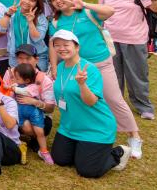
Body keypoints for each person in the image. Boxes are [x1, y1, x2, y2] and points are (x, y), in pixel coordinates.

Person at [47, 0, 143, 159]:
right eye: (53, 0)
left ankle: (134, 136)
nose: (57, 1)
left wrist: (84, 4)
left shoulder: (88, 13)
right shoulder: (55, 22)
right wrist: (54, 67)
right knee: (77, 99)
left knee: (113, 98)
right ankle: (83, 131)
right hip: (74, 67)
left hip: (100, 64)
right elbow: (53, 45)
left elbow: (110, 11)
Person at [49, 29, 132, 177]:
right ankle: (84, 152)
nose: (61, 48)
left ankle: (118, 153)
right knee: (60, 159)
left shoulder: (90, 70)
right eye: (57, 45)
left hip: (95, 128)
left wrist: (82, 84)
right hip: (69, 127)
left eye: (66, 45)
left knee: (88, 171)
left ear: (77, 47)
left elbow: (91, 101)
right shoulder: (61, 67)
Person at [99, 0, 157, 120]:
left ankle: (144, 106)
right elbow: (101, 13)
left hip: (134, 39)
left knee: (136, 75)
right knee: (113, 75)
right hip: (110, 40)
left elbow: (156, 9)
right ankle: (114, 105)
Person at [4, 0, 49, 70]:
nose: (27, 2)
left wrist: (30, 22)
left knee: (37, 81)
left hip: (36, 56)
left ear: (36, 4)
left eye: (32, 0)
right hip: (16, 56)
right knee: (18, 81)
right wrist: (8, 14)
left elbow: (37, 38)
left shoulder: (40, 18)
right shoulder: (12, 12)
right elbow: (1, 28)